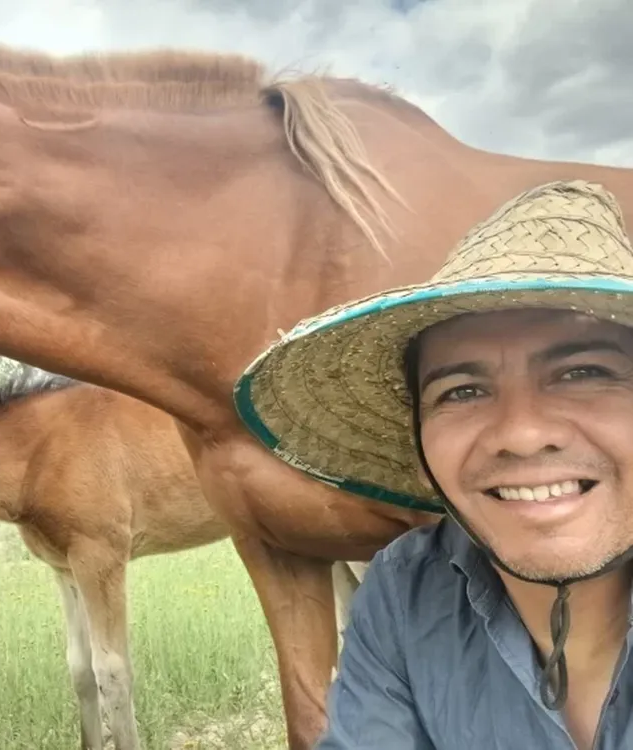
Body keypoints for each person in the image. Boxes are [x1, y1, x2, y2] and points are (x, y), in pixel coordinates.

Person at [234, 179, 633, 749]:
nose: (521, 434)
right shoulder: (407, 593)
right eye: (463, 391)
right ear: (420, 446)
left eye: (583, 373)